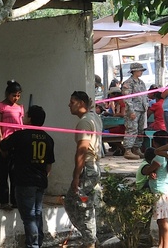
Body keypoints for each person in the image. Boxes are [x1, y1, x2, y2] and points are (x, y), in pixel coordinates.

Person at [0, 105, 54, 248]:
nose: (23, 117)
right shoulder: (48, 138)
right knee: (37, 214)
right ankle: (38, 243)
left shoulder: (20, 136)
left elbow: (3, 146)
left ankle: (33, 245)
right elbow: (49, 165)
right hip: (41, 181)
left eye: (26, 115)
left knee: (29, 217)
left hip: (25, 182)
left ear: (30, 119)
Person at [64, 91, 102, 248]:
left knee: (79, 205)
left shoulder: (85, 122)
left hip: (87, 168)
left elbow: (82, 150)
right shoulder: (93, 117)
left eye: (72, 102)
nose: (69, 105)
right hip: (93, 167)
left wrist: (76, 177)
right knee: (83, 204)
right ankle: (90, 238)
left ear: (81, 103)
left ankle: (90, 241)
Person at [0, 80, 24, 209]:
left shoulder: (20, 107)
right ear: (7, 94)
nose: (16, 98)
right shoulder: (0, 107)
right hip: (5, 142)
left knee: (15, 173)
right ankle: (3, 201)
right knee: (4, 172)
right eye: (13, 95)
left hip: (17, 143)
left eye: (18, 95)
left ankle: (15, 200)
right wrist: (1, 141)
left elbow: (21, 125)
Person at [141, 131, 168, 248]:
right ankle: (161, 244)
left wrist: (147, 171)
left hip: (160, 191)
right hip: (162, 190)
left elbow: (149, 170)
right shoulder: (167, 155)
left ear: (154, 142)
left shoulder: (159, 156)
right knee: (160, 221)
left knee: (163, 222)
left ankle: (165, 245)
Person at [121, 62, 149, 160]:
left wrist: (146, 106)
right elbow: (127, 98)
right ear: (134, 71)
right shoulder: (128, 83)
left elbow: (145, 96)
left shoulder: (141, 83)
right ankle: (128, 150)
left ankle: (137, 148)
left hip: (142, 109)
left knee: (140, 130)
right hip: (133, 110)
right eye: (140, 70)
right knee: (131, 129)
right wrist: (131, 111)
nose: (141, 72)